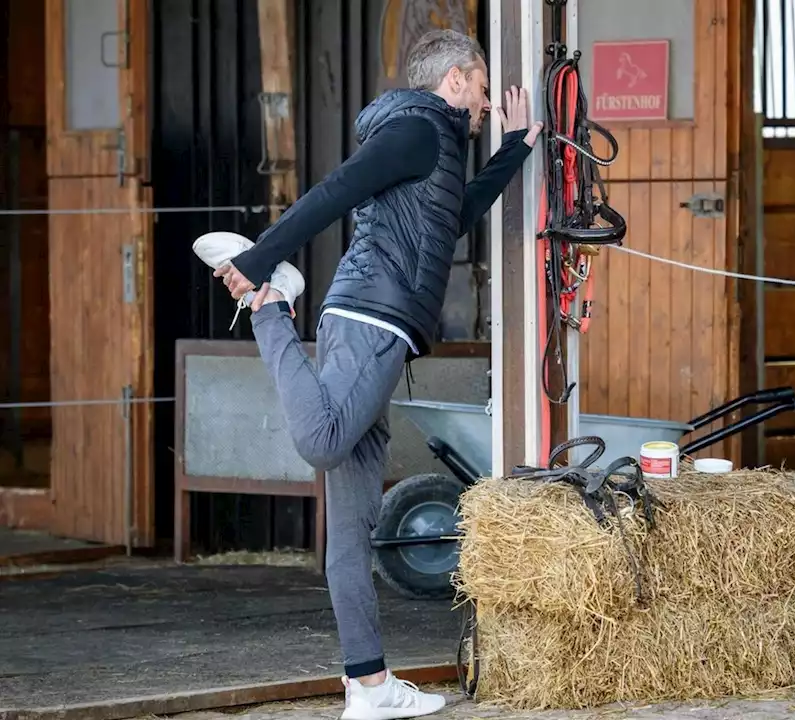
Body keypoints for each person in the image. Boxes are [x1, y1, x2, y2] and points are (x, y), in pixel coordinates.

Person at [191, 29, 543, 720]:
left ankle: (369, 686)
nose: (484, 104)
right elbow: (336, 191)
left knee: (351, 530)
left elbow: (460, 216)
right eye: (479, 87)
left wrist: (517, 148)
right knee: (323, 442)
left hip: (379, 330)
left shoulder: (434, 149)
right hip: (370, 321)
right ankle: (273, 306)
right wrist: (260, 265)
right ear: (453, 81)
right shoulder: (416, 131)